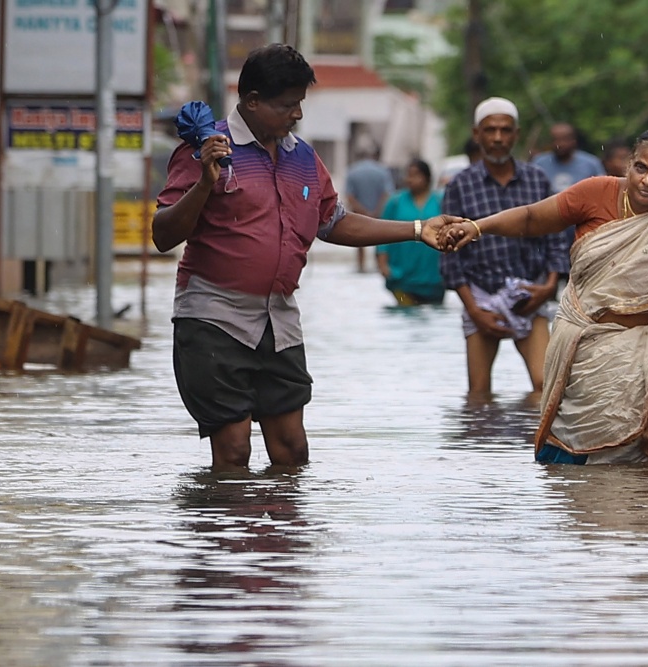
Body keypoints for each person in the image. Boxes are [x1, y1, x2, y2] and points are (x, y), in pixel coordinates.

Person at [153, 44, 453, 471]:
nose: (296, 114)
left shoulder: (303, 159)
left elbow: (334, 222)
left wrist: (418, 231)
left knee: (293, 451)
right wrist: (204, 183)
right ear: (251, 102)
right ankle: (229, 536)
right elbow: (163, 234)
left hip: (279, 320)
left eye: (299, 104)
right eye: (287, 105)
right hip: (213, 317)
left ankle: (284, 536)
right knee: (234, 452)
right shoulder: (206, 151)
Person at [440, 129, 648, 464]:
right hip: (585, 355)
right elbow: (531, 218)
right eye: (641, 168)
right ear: (628, 164)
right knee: (572, 468)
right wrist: (477, 228)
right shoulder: (595, 192)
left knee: (643, 477)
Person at [439, 97, 570, 403]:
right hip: (481, 297)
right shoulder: (460, 185)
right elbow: (449, 255)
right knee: (478, 397)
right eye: (490, 130)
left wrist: (548, 286)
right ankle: (486, 451)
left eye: (505, 130)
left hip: (530, 293)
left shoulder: (536, 180)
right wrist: (474, 310)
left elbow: (556, 238)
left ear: (516, 134)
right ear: (477, 134)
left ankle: (531, 449)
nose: (497, 138)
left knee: (546, 389)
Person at [376, 159, 445, 306]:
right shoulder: (395, 202)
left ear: (427, 177)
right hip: (401, 275)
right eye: (408, 175)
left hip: (433, 276)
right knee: (406, 311)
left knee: (433, 315)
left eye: (416, 175)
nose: (411, 179)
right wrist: (383, 264)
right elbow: (381, 234)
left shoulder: (440, 201)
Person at [344, 145, 394, 271]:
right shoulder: (382, 171)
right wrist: (377, 210)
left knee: (359, 240)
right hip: (379, 212)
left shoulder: (352, 171)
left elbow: (349, 196)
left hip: (359, 213)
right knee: (380, 239)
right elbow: (387, 193)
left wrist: (362, 210)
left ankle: (361, 265)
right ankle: (380, 265)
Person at [532, 122, 606, 195]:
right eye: (555, 140)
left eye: (564, 139)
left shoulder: (591, 164)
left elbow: (602, 190)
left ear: (574, 141)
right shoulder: (539, 163)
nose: (559, 144)